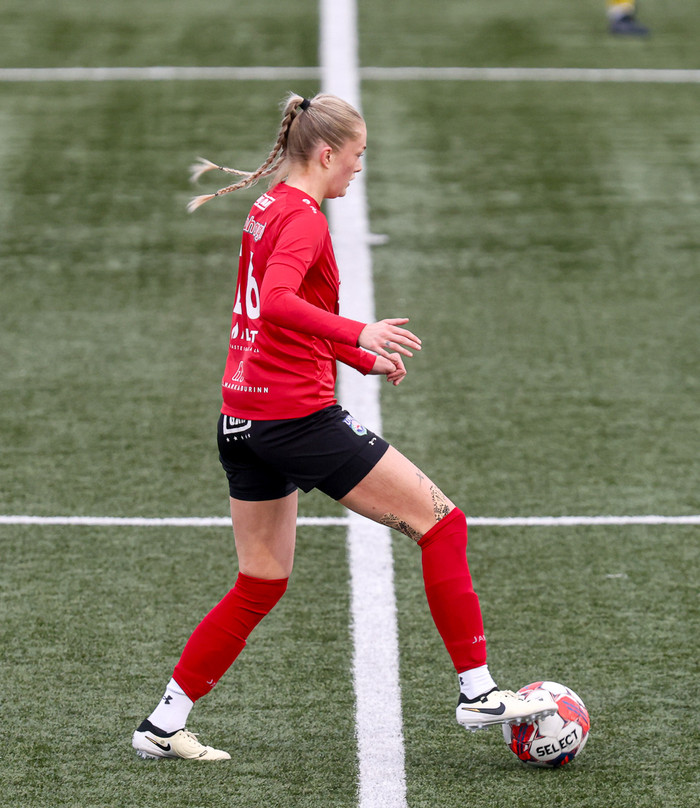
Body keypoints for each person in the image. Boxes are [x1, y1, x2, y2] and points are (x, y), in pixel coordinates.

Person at [131, 92, 557, 761]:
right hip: (295, 418)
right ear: (327, 153)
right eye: (357, 156)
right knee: (443, 524)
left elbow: (279, 313)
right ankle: (477, 691)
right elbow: (277, 303)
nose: (360, 168)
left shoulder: (268, 206)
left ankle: (162, 724)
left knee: (260, 582)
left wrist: (358, 357)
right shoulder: (304, 219)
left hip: (242, 419)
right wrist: (359, 331)